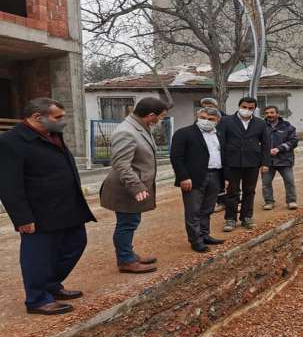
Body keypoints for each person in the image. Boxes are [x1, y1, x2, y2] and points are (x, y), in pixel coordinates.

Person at [0, 98, 96, 315]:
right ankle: (37, 299)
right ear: (37, 117)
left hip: (67, 207)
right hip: (39, 212)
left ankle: (51, 285)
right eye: (58, 117)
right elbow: (9, 184)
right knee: (38, 256)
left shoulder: (52, 135)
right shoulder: (11, 141)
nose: (63, 122)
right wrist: (22, 218)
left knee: (75, 243)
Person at [100, 97, 169, 273]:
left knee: (131, 221)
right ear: (151, 115)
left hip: (132, 186)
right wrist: (137, 187)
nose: (160, 120)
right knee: (126, 224)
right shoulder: (127, 132)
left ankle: (128, 254)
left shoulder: (139, 127)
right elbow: (121, 164)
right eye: (160, 117)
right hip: (126, 188)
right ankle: (125, 260)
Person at [170, 107, 226, 253]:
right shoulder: (184, 133)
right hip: (192, 178)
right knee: (193, 210)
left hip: (215, 175)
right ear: (197, 116)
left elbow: (223, 156)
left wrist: (225, 177)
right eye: (203, 117)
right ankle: (196, 240)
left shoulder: (218, 134)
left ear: (217, 121)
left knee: (207, 209)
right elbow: (176, 157)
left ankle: (205, 235)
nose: (206, 121)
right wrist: (183, 177)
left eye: (211, 119)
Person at [217, 97, 271, 232]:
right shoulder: (226, 121)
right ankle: (230, 219)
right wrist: (222, 163)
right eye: (244, 107)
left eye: (250, 108)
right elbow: (220, 143)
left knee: (249, 191)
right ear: (239, 106)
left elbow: (266, 144)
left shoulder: (260, 123)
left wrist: (265, 163)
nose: (247, 110)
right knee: (231, 192)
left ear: (254, 109)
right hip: (232, 163)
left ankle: (246, 217)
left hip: (252, 163)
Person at [262, 106, 299, 211]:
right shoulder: (261, 126)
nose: (269, 115)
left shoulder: (287, 126)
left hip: (284, 160)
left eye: (272, 112)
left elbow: (294, 141)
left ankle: (291, 201)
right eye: (267, 113)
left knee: (289, 181)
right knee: (266, 183)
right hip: (267, 161)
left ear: (277, 114)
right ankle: (269, 202)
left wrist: (280, 148)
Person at [200, 97, 227, 213]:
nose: (207, 108)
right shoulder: (201, 119)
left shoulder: (226, 119)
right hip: (208, 156)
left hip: (223, 155)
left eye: (210, 106)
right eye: (205, 105)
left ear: (216, 107)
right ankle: (216, 202)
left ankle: (227, 202)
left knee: (225, 180)